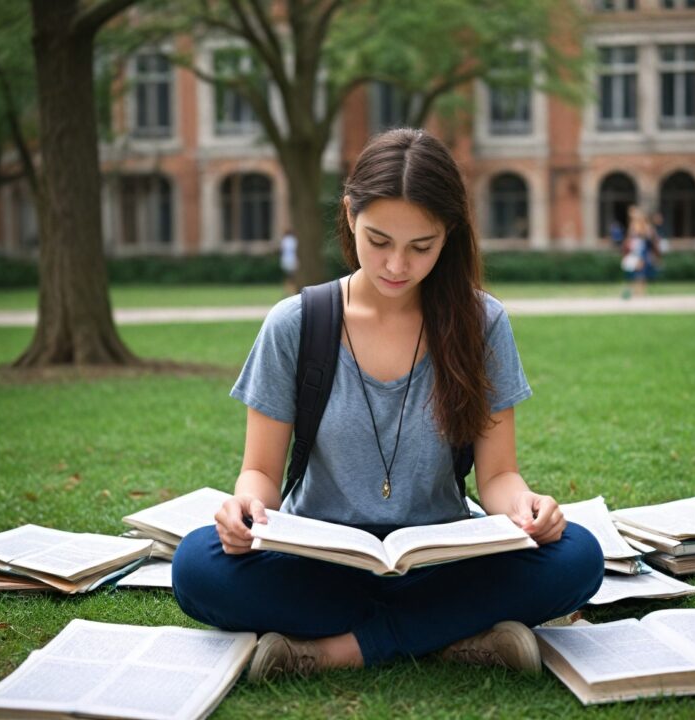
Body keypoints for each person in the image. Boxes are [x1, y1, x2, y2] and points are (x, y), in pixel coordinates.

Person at [172, 129, 603, 681]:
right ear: (350, 214)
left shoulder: (481, 324)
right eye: (379, 240)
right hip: (317, 565)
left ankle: (339, 649)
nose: (397, 265)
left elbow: (499, 476)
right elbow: (259, 471)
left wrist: (528, 509)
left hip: (441, 563)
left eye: (421, 247)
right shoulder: (296, 324)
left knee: (578, 556)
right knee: (196, 566)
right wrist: (245, 511)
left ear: (449, 234)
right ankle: (448, 634)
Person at [621, 207, 661, 298]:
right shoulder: (633, 226)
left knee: (641, 273)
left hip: (642, 251)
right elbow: (629, 240)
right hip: (635, 251)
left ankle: (640, 292)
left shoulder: (646, 227)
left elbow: (651, 240)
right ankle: (634, 292)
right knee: (633, 272)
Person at [280, 228, 298, 295]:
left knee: (289, 276)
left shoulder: (284, 240)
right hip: (292, 260)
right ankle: (291, 291)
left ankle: (287, 290)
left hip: (285, 260)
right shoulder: (293, 240)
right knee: (292, 277)